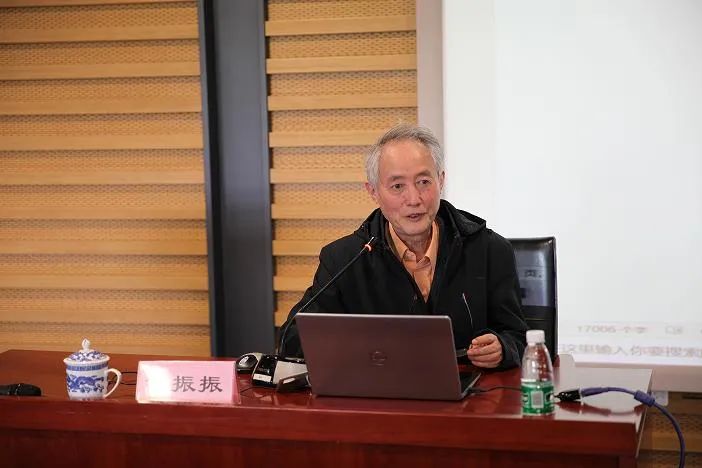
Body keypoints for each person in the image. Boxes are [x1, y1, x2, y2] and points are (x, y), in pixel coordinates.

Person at [280, 123, 527, 369]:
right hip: (379, 388)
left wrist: (502, 348)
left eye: (424, 182)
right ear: (373, 192)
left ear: (441, 181)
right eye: (398, 186)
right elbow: (293, 339)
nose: (414, 199)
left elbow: (520, 337)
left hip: (469, 390)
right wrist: (361, 349)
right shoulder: (344, 259)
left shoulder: (490, 250)